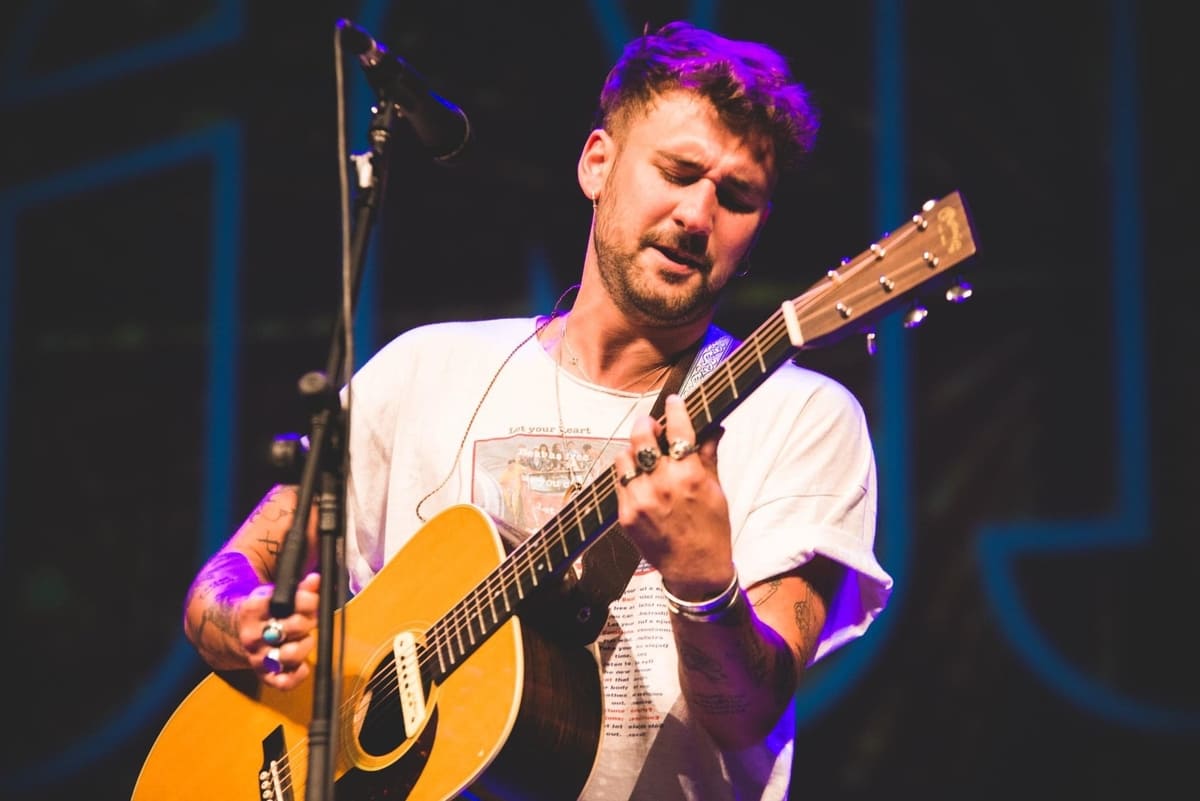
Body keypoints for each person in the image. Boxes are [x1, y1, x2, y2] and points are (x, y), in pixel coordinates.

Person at [181, 20, 893, 801]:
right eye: (679, 171)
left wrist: (703, 580)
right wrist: (248, 619)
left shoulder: (801, 418)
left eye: (736, 196)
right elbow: (226, 577)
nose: (698, 214)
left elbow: (746, 713)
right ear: (598, 163)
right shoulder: (424, 369)